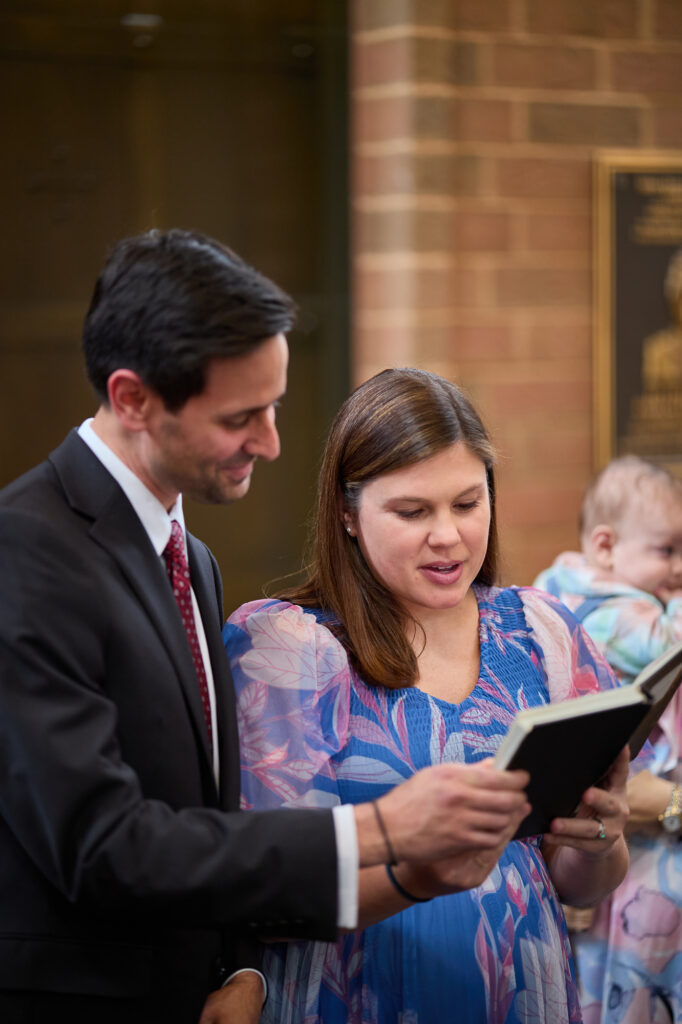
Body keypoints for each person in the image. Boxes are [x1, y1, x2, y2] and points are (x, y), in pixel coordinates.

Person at [0, 233, 532, 1024]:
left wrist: (243, 966)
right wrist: (383, 827)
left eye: (274, 406)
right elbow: (100, 845)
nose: (274, 442)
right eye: (241, 416)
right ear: (134, 398)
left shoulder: (192, 557)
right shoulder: (26, 549)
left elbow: (212, 821)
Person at [224, 367, 630, 1024]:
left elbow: (574, 881)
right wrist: (416, 873)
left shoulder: (542, 632)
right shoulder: (288, 648)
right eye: (413, 512)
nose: (448, 535)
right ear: (348, 515)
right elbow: (269, 894)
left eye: (468, 504)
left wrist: (601, 837)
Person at [534, 455, 682, 1023]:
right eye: (666, 551)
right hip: (620, 856)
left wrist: (669, 803)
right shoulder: (612, 611)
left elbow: (664, 801)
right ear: (604, 547)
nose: (676, 568)